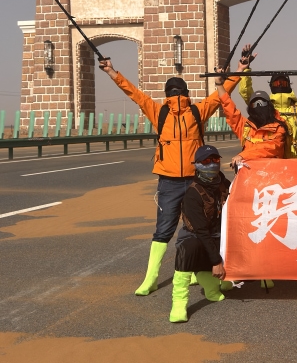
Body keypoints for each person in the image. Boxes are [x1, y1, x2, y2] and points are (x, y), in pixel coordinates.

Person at [99, 58, 241, 296]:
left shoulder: (190, 111)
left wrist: (112, 72)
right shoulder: (168, 112)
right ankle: (152, 277)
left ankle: (173, 274)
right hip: (175, 181)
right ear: (186, 93)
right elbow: (221, 94)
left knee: (192, 228)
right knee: (171, 229)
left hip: (193, 181)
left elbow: (134, 94)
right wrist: (239, 71)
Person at [216, 65, 288, 290]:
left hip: (271, 187)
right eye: (254, 104)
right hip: (247, 187)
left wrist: (244, 155)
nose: (258, 107)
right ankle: (242, 269)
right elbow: (229, 109)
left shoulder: (280, 127)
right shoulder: (245, 127)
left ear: (269, 106)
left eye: (262, 103)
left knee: (271, 228)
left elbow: (271, 148)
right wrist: (219, 85)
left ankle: (270, 269)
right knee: (245, 227)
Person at [169, 145, 231, 322]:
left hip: (219, 236)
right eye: (205, 161)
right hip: (197, 237)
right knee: (188, 248)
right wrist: (216, 262)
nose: (212, 164)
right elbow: (202, 231)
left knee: (223, 286)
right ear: (196, 164)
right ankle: (179, 302)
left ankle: (217, 282)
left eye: (215, 159)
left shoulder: (225, 185)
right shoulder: (192, 194)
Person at [238, 44, 297, 159]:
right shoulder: (265, 107)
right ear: (271, 86)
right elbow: (245, 92)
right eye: (276, 83)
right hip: (272, 160)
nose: (280, 85)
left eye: (283, 83)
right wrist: (246, 68)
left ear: (289, 86)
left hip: (295, 162)